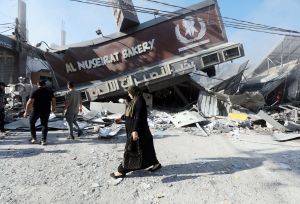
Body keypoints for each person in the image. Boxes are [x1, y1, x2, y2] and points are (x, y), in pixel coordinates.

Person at [110, 85, 161, 179]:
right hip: (139, 131)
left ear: (133, 92)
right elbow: (130, 115)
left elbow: (138, 118)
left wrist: (135, 131)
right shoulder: (135, 100)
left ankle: (121, 170)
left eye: (129, 92)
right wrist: (121, 118)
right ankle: (156, 164)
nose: (128, 94)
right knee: (146, 149)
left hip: (138, 131)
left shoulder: (139, 101)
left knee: (130, 150)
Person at [24, 80, 56, 145]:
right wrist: (53, 108)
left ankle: (34, 138)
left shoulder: (35, 92)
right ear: (45, 85)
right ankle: (43, 140)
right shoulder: (50, 92)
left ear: (38, 84)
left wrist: (26, 112)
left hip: (36, 110)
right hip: (46, 110)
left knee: (31, 122)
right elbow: (53, 101)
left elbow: (29, 102)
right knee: (44, 124)